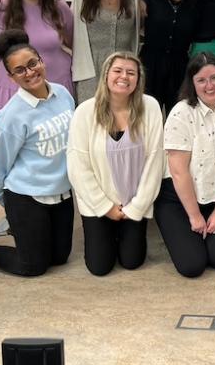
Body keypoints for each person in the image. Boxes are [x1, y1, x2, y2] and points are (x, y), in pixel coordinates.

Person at [0, 30, 76, 277]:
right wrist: (7, 203)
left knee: (60, 258)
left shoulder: (62, 93)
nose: (30, 72)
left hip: (61, 193)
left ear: (42, 61)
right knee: (32, 266)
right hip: (26, 195)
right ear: (11, 78)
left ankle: (22, 230)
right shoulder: (10, 117)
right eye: (20, 70)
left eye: (33, 63)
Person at [67, 52, 165, 276]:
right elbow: (78, 166)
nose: (124, 77)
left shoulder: (149, 107)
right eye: (118, 71)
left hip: (134, 202)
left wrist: (137, 206)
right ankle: (106, 232)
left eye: (131, 73)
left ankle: (124, 231)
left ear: (138, 80)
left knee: (132, 261)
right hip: (97, 203)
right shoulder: (85, 112)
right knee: (100, 267)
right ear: (106, 76)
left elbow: (155, 160)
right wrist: (105, 207)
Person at [156, 53, 215, 277]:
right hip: (179, 199)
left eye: (214, 77)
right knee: (192, 266)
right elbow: (178, 172)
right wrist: (195, 216)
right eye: (201, 80)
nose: (209, 85)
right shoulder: (181, 113)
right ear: (192, 84)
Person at [70, 0, 141, 104]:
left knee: (122, 120)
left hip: (124, 72)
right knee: (92, 121)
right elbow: (71, 33)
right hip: (91, 73)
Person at [140, 0, 197, 115]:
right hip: (150, 66)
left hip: (180, 69)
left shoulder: (196, 4)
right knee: (148, 116)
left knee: (178, 115)